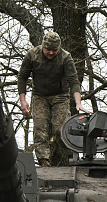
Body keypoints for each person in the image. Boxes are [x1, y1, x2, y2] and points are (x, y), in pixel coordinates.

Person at [17, 32, 90, 166]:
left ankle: (72, 155)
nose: (51, 53)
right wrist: (23, 101)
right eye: (48, 49)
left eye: (54, 50)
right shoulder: (32, 55)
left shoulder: (65, 57)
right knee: (40, 129)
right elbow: (22, 77)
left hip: (60, 96)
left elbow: (74, 81)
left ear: (59, 48)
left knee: (61, 129)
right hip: (40, 96)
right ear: (42, 46)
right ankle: (44, 160)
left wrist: (78, 103)